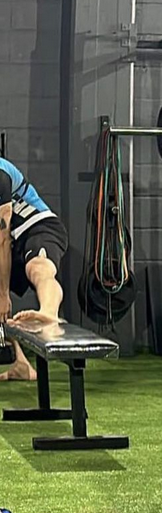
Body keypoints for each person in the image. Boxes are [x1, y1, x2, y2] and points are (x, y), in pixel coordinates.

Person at [0, 157, 68, 381]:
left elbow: (3, 239)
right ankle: (20, 363)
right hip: (8, 240)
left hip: (37, 227)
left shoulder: (0, 174)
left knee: (39, 268)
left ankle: (49, 313)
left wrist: (3, 295)